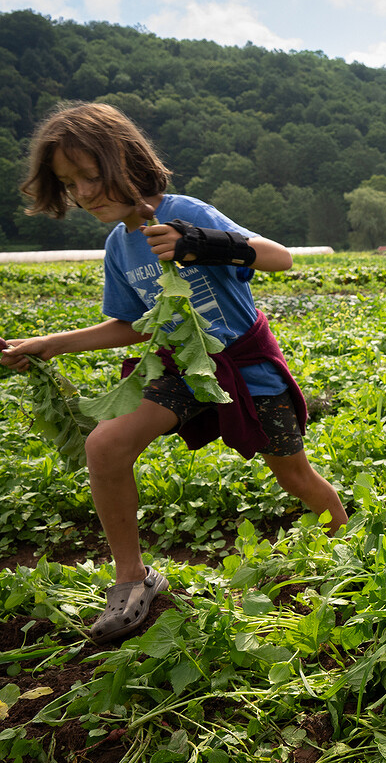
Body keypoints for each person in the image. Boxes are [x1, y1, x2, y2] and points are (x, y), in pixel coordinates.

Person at [1, 101, 349, 642]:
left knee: (294, 476)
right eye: (70, 184)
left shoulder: (186, 211)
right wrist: (53, 343)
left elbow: (279, 257)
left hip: (244, 368)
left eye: (90, 176)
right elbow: (134, 324)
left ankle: (346, 550)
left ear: (123, 162)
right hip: (182, 371)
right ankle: (133, 578)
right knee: (105, 446)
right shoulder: (119, 245)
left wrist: (199, 244)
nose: (84, 193)